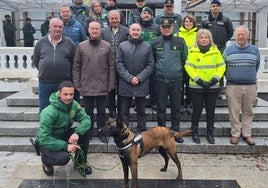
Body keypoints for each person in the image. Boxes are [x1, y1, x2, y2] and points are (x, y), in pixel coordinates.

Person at [34, 81, 92, 176]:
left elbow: (86, 120)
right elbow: (45, 139)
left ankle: (80, 163)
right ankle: (46, 161)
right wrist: (66, 146)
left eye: (71, 94)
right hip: (47, 141)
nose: (68, 97)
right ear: (59, 94)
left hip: (62, 134)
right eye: (65, 94)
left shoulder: (74, 105)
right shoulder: (48, 112)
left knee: (84, 131)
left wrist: (76, 133)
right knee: (63, 158)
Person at [73, 21, 115, 143]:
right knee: (88, 112)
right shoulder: (81, 46)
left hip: (102, 85)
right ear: (89, 31)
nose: (95, 31)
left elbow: (112, 66)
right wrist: (77, 84)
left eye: (97, 28)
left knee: (102, 112)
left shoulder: (107, 46)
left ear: (100, 30)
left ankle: (102, 133)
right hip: (86, 85)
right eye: (93, 29)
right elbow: (76, 66)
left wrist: (110, 84)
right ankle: (89, 132)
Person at [184, 29, 226, 144]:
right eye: (201, 37)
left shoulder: (216, 51)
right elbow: (189, 67)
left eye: (206, 37)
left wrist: (214, 79)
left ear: (209, 39)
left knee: (210, 111)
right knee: (196, 111)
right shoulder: (192, 52)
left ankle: (210, 133)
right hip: (197, 87)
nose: (203, 39)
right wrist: (199, 80)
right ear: (198, 39)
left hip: (212, 87)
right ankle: (195, 132)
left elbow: (222, 67)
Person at [151, 18, 188, 143]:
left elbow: (185, 60)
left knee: (176, 108)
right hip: (160, 80)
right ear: (160, 29)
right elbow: (152, 61)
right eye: (164, 27)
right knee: (161, 108)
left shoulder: (180, 42)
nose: (166, 29)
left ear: (172, 28)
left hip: (176, 80)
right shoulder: (155, 42)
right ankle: (162, 134)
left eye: (168, 27)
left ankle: (175, 133)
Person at [223, 25, 260, 146]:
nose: (241, 37)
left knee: (248, 111)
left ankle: (247, 134)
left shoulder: (255, 50)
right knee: (234, 111)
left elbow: (257, 66)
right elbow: (224, 67)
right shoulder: (228, 50)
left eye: (243, 34)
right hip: (233, 86)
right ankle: (235, 134)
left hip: (250, 86)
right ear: (235, 36)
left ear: (247, 36)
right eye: (238, 34)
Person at [116, 23, 154, 132]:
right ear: (129, 31)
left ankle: (141, 130)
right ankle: (124, 131)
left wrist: (139, 78)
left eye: (137, 30)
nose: (135, 32)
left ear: (141, 31)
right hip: (125, 83)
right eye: (133, 30)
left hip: (141, 84)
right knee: (124, 111)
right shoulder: (122, 46)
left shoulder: (147, 46)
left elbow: (150, 65)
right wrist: (129, 78)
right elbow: (119, 64)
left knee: (141, 111)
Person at [33, 18, 76, 112]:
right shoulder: (40, 43)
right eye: (55, 26)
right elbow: (36, 61)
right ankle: (45, 127)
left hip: (63, 83)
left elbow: (73, 62)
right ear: (50, 27)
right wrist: (45, 70)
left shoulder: (69, 43)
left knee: (63, 108)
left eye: (60, 27)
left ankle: (63, 127)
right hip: (45, 82)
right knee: (45, 108)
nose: (57, 29)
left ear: (63, 28)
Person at [201, 0, 233, 99]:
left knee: (221, 68)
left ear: (220, 7)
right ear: (210, 7)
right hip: (209, 48)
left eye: (217, 6)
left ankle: (219, 90)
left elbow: (230, 33)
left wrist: (223, 40)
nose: (215, 7)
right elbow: (202, 33)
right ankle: (207, 87)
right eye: (213, 6)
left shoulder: (226, 20)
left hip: (221, 47)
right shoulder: (205, 21)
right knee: (209, 67)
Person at [101, 10, 129, 118]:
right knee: (110, 89)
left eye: (116, 18)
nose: (114, 20)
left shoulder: (126, 31)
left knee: (121, 90)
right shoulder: (103, 32)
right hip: (108, 66)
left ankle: (121, 112)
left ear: (120, 18)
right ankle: (111, 111)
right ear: (108, 19)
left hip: (122, 65)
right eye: (112, 18)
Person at [138, 6, 160, 111]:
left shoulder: (157, 27)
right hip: (140, 57)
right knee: (141, 80)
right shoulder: (137, 27)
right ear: (141, 15)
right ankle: (139, 103)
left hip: (154, 57)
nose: (146, 15)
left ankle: (153, 101)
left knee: (153, 81)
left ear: (151, 15)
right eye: (144, 13)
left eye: (148, 13)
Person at [176, 14, 198, 115]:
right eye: (186, 21)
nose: (188, 23)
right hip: (180, 64)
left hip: (193, 65)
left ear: (193, 23)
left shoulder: (198, 35)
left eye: (190, 21)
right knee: (180, 86)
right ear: (183, 23)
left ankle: (189, 103)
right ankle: (180, 104)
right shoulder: (178, 34)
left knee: (190, 86)